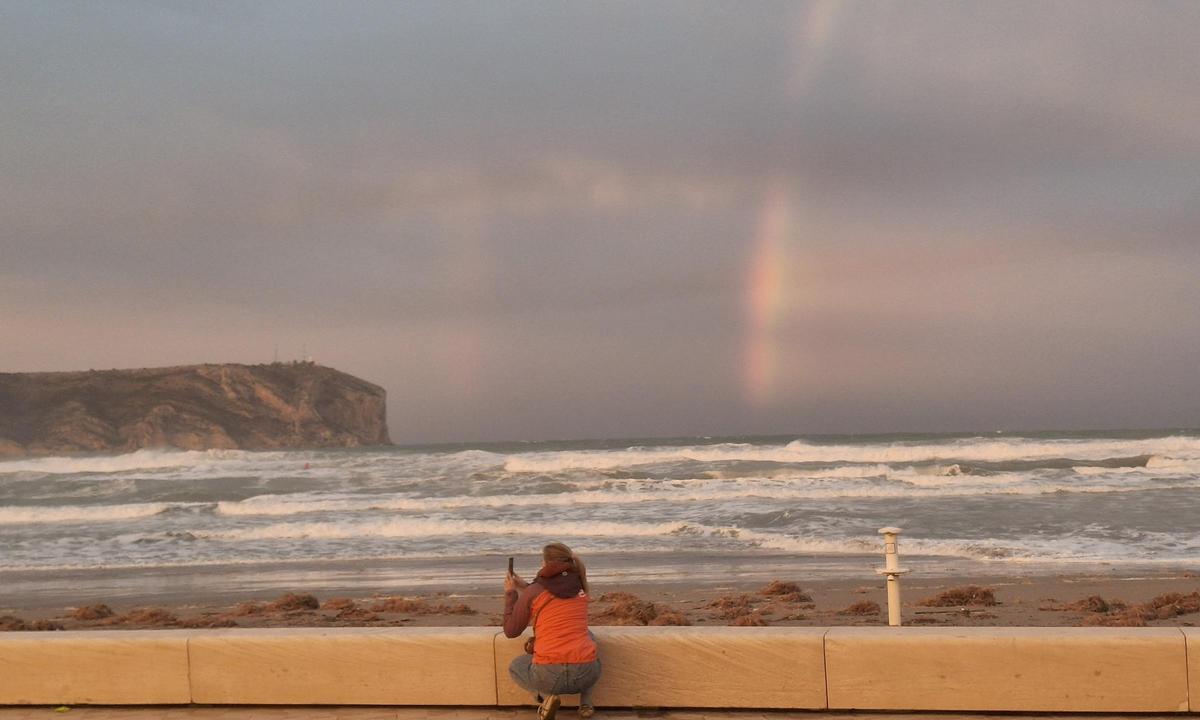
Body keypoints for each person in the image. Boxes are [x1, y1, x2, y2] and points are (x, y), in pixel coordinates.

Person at [504, 542, 602, 720]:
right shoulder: (580, 588)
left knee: (515, 667)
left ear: (545, 564)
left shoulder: (535, 590)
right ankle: (586, 702)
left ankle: (544, 698)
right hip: (586, 675)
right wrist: (525, 587)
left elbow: (511, 631)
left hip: (549, 676)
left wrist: (511, 593)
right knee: (589, 639)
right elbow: (556, 595)